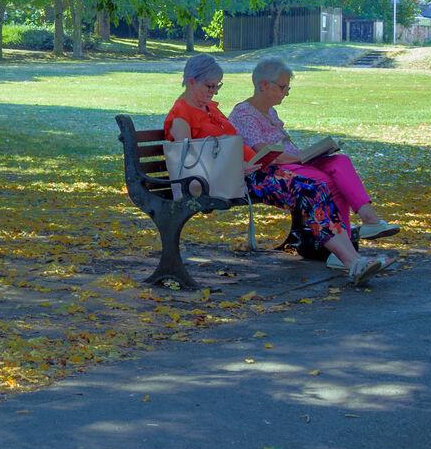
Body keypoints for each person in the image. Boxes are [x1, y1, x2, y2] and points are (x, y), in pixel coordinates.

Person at [165, 53, 393, 286]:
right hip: (240, 179)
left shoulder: (209, 108)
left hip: (254, 170)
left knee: (316, 188)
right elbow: (189, 160)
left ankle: (352, 259)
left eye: (217, 86)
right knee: (311, 189)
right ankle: (352, 261)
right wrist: (236, 166)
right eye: (209, 86)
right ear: (191, 81)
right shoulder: (182, 114)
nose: (213, 92)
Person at [230, 56, 399, 270]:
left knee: (340, 162)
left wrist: (307, 154)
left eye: (287, 89)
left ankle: (369, 220)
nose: (286, 93)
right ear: (264, 85)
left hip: (295, 163)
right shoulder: (244, 113)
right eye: (283, 87)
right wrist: (300, 157)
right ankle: (344, 254)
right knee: (324, 181)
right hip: (275, 170)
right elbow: (266, 154)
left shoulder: (270, 111)